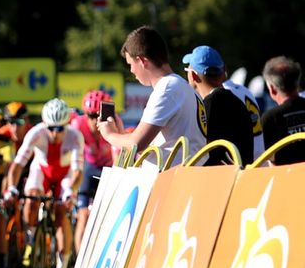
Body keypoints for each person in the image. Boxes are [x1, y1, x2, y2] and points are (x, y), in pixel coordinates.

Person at [4, 99, 84, 268]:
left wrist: (70, 192)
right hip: (41, 171)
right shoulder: (36, 133)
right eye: (51, 128)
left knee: (60, 212)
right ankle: (32, 240)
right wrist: (12, 187)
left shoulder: (75, 136)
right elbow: (18, 164)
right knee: (30, 198)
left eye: (60, 128)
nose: (55, 133)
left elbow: (77, 171)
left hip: (65, 175)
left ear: (67, 124)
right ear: (44, 124)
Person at [98, 26, 206, 165]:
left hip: (172, 181)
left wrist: (109, 135)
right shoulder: (180, 85)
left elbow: (136, 144)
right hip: (181, 177)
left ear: (142, 61)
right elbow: (154, 147)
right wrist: (121, 133)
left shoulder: (167, 88)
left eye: (130, 64)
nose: (131, 70)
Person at [183, 46, 253, 166]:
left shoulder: (205, 107)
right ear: (223, 72)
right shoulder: (239, 103)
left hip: (215, 181)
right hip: (240, 180)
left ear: (193, 76)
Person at [72, 90, 119, 254]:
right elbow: (73, 155)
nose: (94, 121)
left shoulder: (114, 122)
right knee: (83, 216)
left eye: (97, 115)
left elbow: (118, 154)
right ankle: (79, 261)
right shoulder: (78, 125)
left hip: (107, 167)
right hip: (88, 168)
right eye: (90, 116)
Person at [260, 56, 305, 165]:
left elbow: (265, 159)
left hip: (289, 180)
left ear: (272, 89)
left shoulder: (270, 119)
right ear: (297, 83)